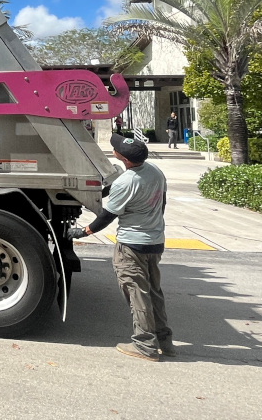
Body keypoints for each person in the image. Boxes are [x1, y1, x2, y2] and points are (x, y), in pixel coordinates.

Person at [67, 134, 175, 361]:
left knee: (137, 294)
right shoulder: (155, 171)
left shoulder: (126, 183)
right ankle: (164, 341)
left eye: (116, 149)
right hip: (155, 241)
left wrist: (83, 231)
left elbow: (107, 216)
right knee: (154, 291)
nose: (113, 149)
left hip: (132, 245)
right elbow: (162, 202)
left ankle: (145, 345)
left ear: (123, 159)